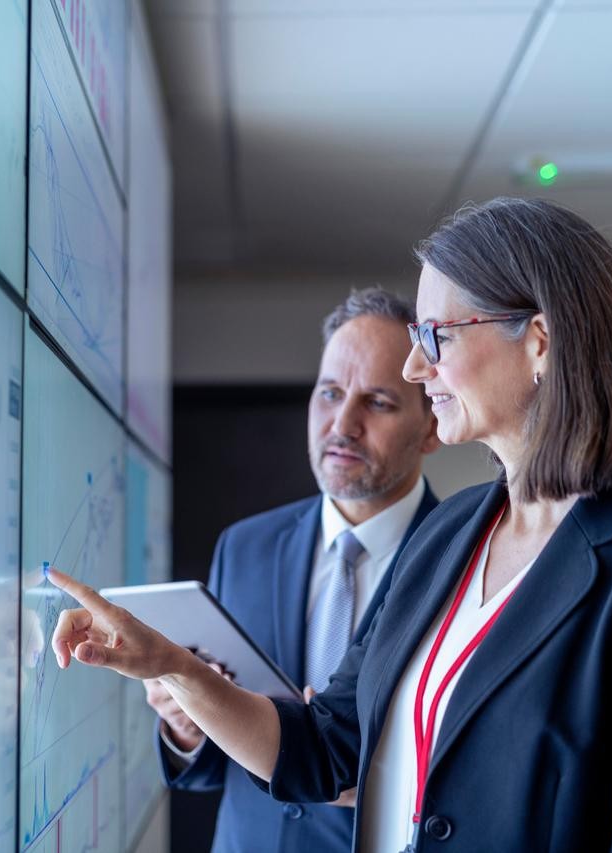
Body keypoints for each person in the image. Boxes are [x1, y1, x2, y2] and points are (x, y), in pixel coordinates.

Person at [49, 197, 612, 852]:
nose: (413, 366)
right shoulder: (451, 535)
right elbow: (329, 747)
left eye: (436, 335)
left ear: (539, 341)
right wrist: (168, 662)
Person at [149, 288, 440, 853]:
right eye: (330, 393)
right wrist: (187, 725)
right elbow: (216, 768)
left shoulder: (465, 558)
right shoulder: (246, 547)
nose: (343, 424)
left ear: (431, 425)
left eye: (378, 402)